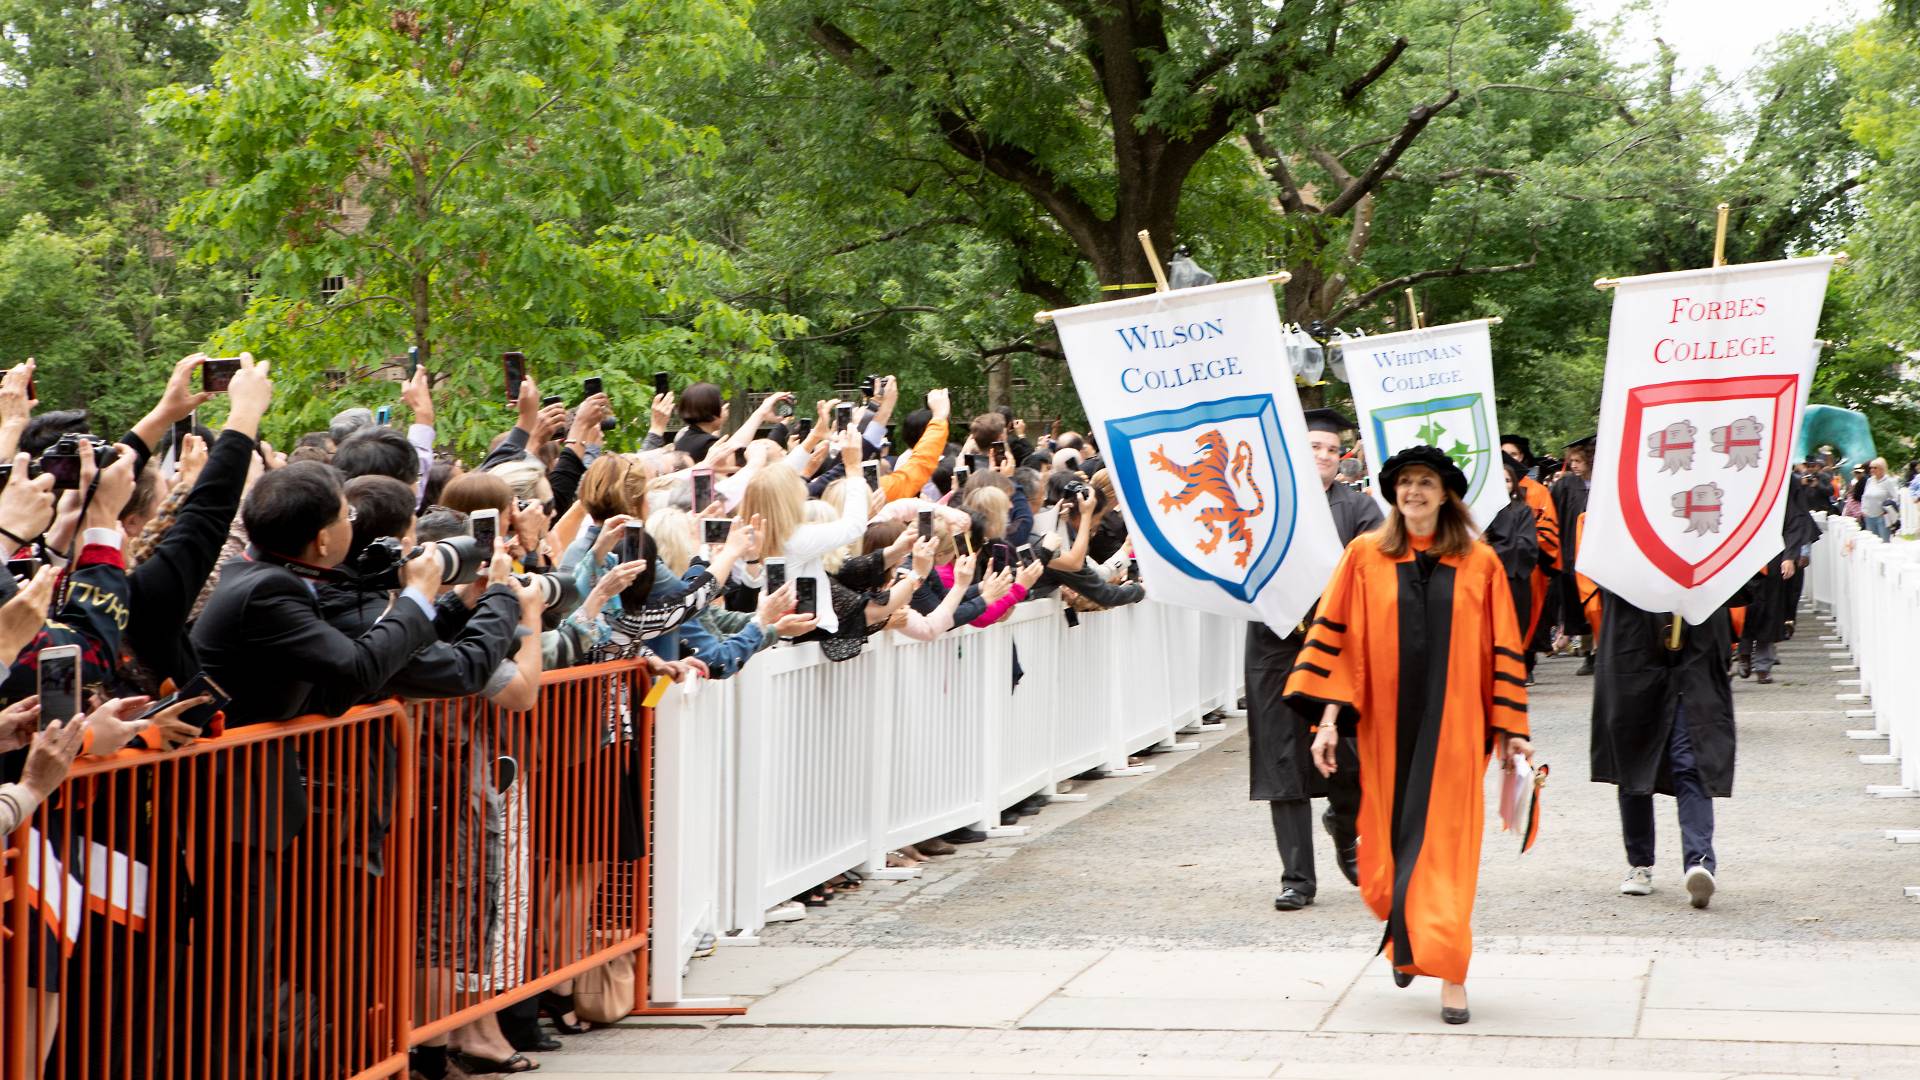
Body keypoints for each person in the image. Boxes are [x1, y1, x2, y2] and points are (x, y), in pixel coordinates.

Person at [1286, 445, 1532, 1025]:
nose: (1414, 492)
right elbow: (1337, 639)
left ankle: (1450, 972)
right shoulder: (1365, 555)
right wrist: (1326, 721)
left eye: (1426, 483)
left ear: (1445, 494)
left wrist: (1512, 729)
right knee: (1385, 850)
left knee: (1446, 845)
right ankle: (1405, 930)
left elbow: (1503, 646)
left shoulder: (1480, 561)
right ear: (1392, 493)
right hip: (1384, 726)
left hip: (1456, 726)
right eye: (1405, 483)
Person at [1246, 408, 1381, 912]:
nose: (1323, 456)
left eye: (1330, 449)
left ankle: (1345, 826)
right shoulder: (1264, 504)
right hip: (1275, 645)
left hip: (1340, 649)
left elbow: (1380, 569)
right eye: (1313, 448)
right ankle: (1297, 878)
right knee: (1283, 760)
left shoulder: (1361, 510)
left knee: (1348, 758)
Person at [1575, 514, 1737, 911]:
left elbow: (1740, 575)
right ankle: (1640, 862)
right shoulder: (1615, 509)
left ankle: (1699, 861)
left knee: (1690, 755)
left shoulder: (1705, 504)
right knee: (1634, 750)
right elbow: (1595, 570)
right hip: (1633, 640)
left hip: (1694, 642)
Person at [1735, 488, 1821, 684]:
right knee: (1743, 610)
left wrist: (1790, 556)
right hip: (1742, 559)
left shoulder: (1782, 490)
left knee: (1769, 612)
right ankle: (1744, 654)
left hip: (1772, 559)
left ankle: (1763, 665)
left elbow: (1794, 524)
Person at [1500, 433, 1560, 681]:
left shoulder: (1536, 492)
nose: (1508, 458)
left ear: (1522, 456)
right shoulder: (1485, 495)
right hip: (1495, 566)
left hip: (1528, 564)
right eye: (1504, 453)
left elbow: (1548, 529)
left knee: (1527, 613)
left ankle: (1526, 661)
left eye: (1513, 454)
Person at [1551, 435, 1595, 674]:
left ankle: (1598, 652)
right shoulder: (1565, 486)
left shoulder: (1604, 483)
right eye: (1572, 460)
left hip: (1596, 555)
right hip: (1572, 554)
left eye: (1579, 460)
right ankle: (1588, 654)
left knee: (1597, 606)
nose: (1574, 465)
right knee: (1580, 606)